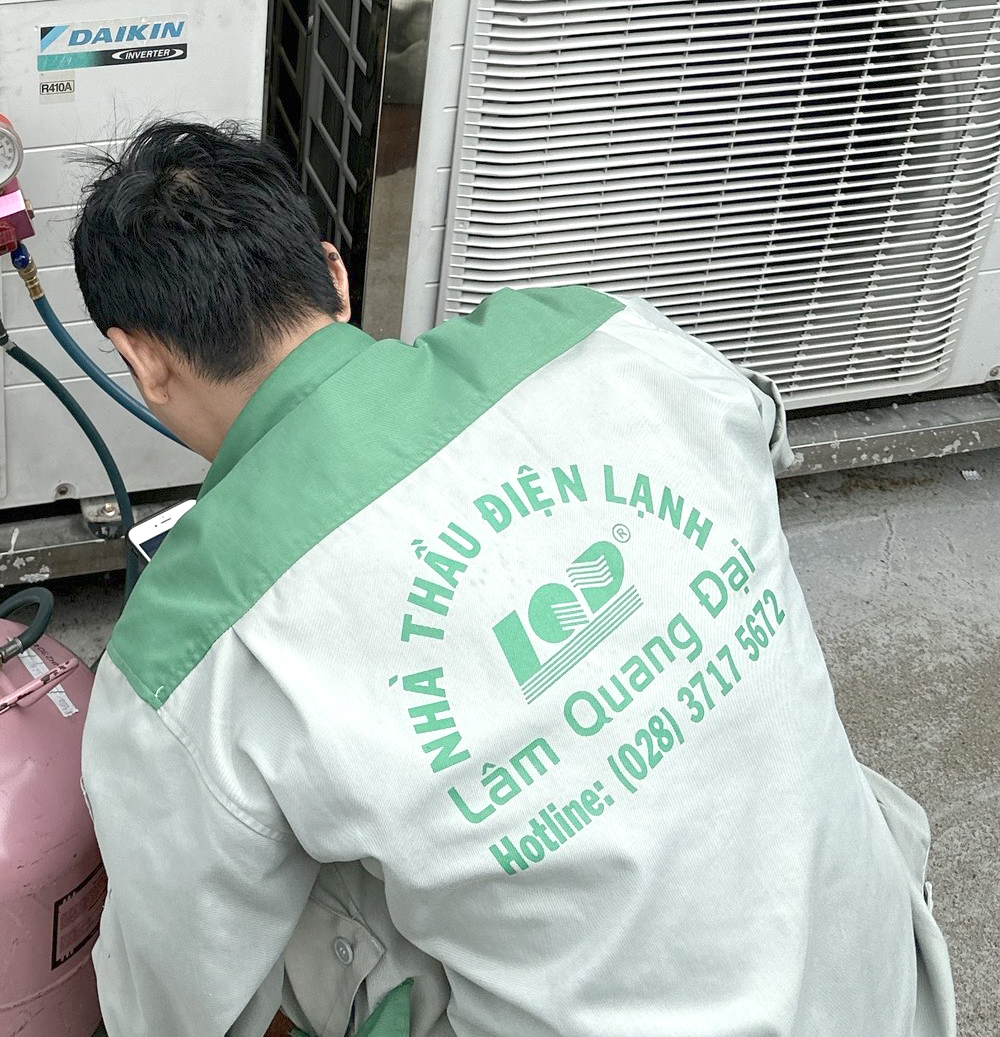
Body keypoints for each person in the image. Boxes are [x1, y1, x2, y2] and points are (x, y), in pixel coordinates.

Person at [71, 121, 953, 1037]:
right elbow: (761, 432)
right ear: (333, 275)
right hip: (879, 981)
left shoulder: (190, 638)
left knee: (264, 859)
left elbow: (173, 998)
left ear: (143, 361)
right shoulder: (602, 333)